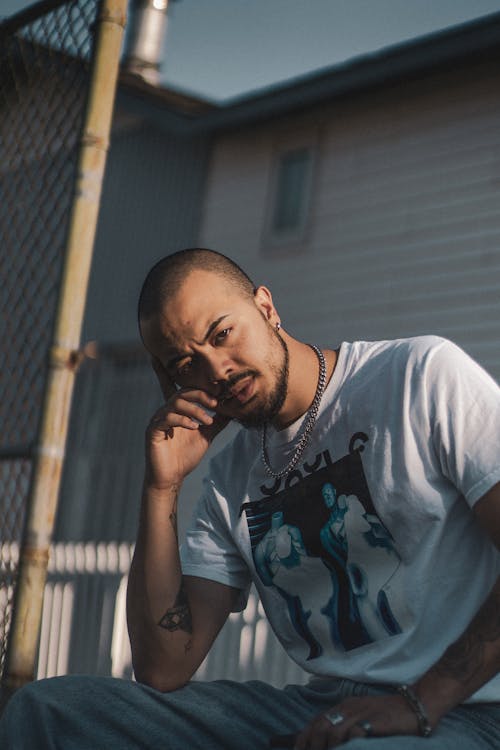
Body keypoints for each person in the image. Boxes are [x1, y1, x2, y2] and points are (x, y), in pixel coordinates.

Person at [0, 246, 499, 749]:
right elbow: (163, 668)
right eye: (186, 364)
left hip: (468, 707)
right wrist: (161, 487)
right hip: (323, 707)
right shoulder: (230, 477)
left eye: (222, 334)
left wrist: (421, 701)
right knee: (48, 712)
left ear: (265, 307)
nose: (216, 369)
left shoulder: (419, 377)